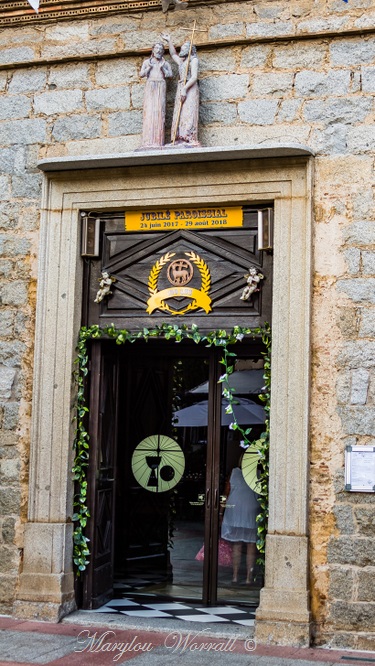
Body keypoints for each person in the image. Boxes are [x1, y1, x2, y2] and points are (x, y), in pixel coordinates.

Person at [220, 459, 259, 584]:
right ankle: (248, 577)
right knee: (251, 544)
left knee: (236, 544)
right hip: (251, 510)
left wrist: (220, 511)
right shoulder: (257, 473)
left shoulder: (234, 472)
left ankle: (235, 576)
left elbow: (226, 493)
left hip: (235, 510)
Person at [161, 34, 200, 146]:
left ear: (189, 50)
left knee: (188, 111)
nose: (181, 50)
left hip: (189, 88)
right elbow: (173, 54)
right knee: (180, 111)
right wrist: (169, 41)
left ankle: (188, 137)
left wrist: (185, 89)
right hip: (181, 86)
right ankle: (178, 138)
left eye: (184, 48)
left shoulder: (194, 60)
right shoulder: (182, 62)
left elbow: (194, 77)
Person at [140, 42, 173, 149]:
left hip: (161, 86)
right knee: (149, 111)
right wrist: (148, 68)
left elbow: (170, 75)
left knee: (159, 111)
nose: (158, 51)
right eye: (157, 48)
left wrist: (163, 68)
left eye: (161, 49)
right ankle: (148, 140)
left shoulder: (165, 63)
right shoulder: (147, 62)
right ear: (153, 50)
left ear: (163, 51)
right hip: (150, 86)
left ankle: (158, 141)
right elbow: (141, 74)